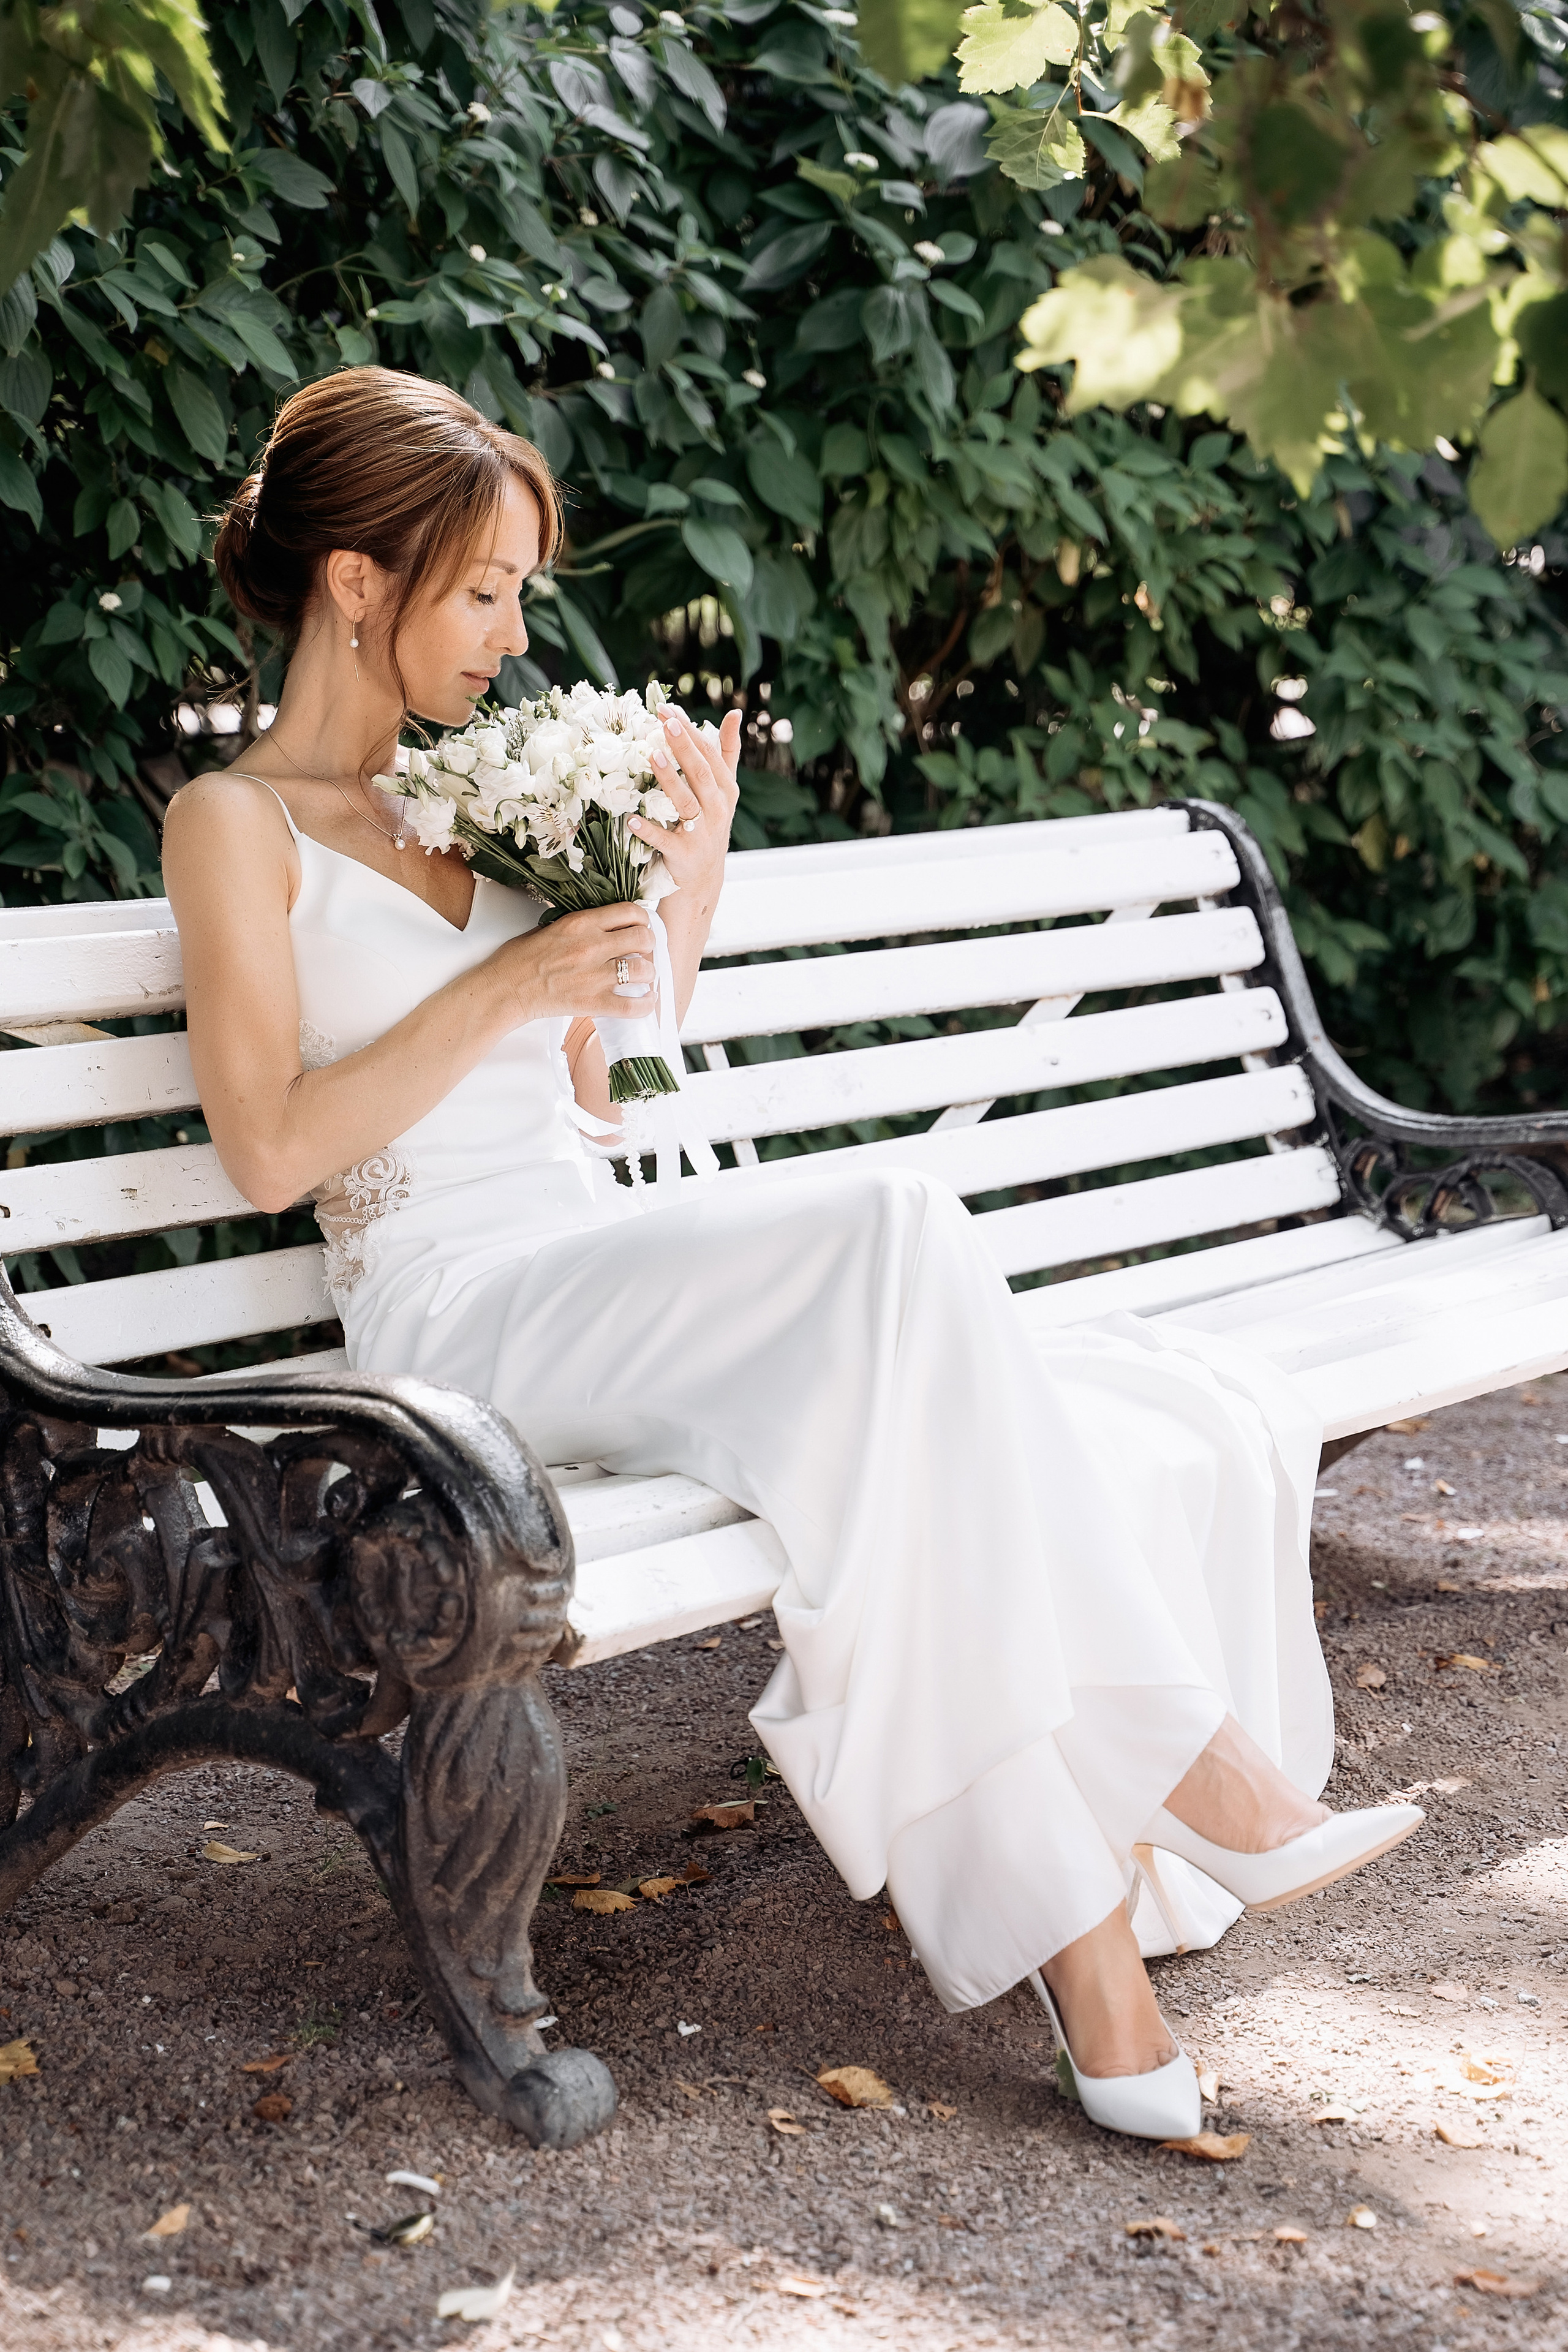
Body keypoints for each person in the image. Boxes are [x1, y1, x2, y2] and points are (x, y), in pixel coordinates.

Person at [162, 368, 1421, 2144]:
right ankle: (1194, 1765)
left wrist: (690, 879)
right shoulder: (237, 824)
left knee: (901, 1452)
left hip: (587, 1260)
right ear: (355, 582)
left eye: (523, 591)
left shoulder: (471, 796)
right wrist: (506, 980)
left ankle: (1101, 1985)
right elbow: (271, 1145)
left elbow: (603, 1078)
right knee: (895, 1231)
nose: (516, 636)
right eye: (483, 589)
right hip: (449, 1308)